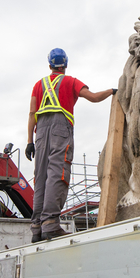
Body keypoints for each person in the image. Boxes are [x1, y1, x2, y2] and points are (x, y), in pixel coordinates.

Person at [25, 48, 115, 242]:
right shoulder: (71, 82)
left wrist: (29, 142)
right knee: (57, 173)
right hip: (60, 129)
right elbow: (93, 97)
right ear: (65, 65)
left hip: (40, 132)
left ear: (50, 65)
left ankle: (36, 228)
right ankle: (50, 224)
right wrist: (111, 91)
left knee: (40, 176)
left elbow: (32, 113)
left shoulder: (38, 85)